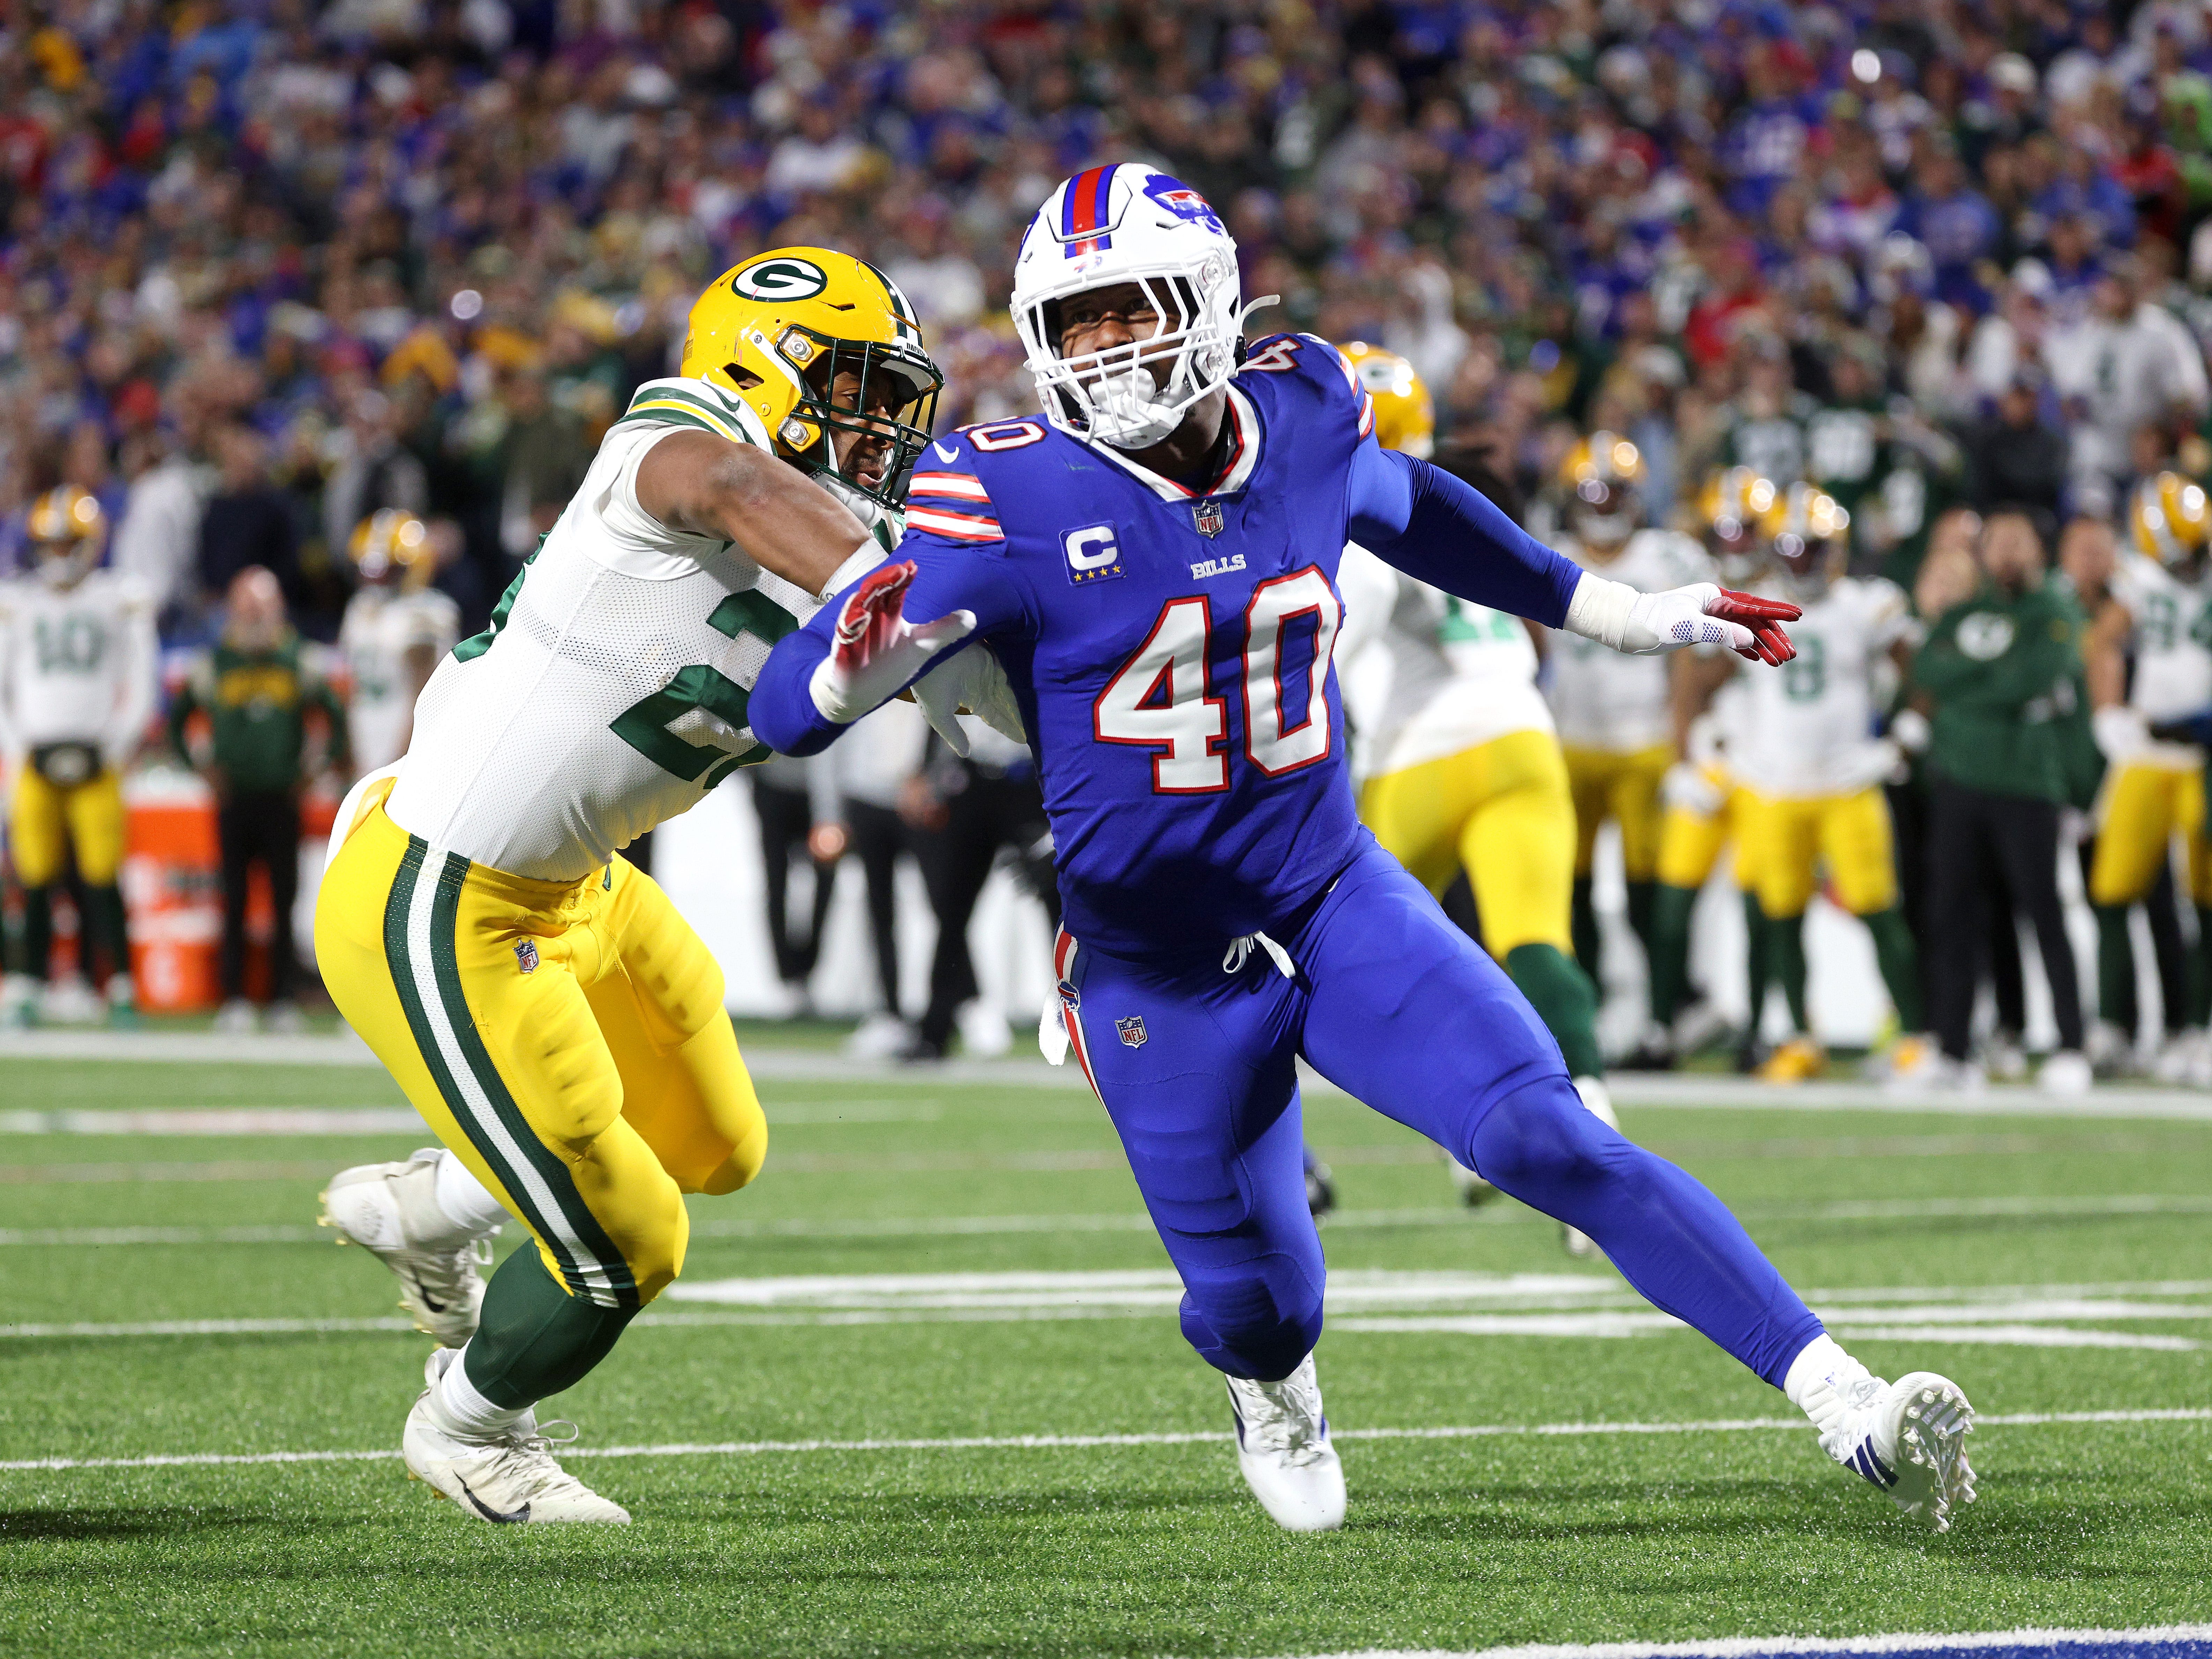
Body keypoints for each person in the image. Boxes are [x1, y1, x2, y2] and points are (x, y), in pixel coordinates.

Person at [750, 167, 1976, 1538]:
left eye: (1128, 309)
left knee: (1545, 1133)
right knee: (1261, 1308)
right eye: (1074, 321)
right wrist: (844, 674)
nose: (1101, 347)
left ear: (1207, 303)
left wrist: (1624, 614)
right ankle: (1272, 1387)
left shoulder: (1304, 406)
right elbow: (787, 709)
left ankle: (1846, 1401)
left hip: (1329, 897)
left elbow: (1413, 504)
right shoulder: (1001, 489)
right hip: (1154, 968)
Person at [307, 248, 989, 1525]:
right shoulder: (682, 443)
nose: (879, 425)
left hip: (582, 887)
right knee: (628, 1245)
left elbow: (976, 701)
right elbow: (729, 484)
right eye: (856, 389)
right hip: (441, 896)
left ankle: (436, 1204)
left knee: (715, 1145)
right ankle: (471, 1430)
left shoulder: (846, 534)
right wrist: (900, 597)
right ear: (766, 370)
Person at [1331, 343, 1608, 1247]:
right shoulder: (1465, 498)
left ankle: (1428, 1136)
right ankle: (1593, 1140)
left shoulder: (1354, 519)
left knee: (1340, 966)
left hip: (1414, 760)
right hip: (1522, 738)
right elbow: (1535, 629)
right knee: (1536, 945)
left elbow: (1320, 657)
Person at [1691, 484, 1932, 1084]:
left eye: (1812, 550)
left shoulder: (1866, 605)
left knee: (1878, 910)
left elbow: (1919, 673)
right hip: (1774, 784)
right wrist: (1714, 734)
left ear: (1836, 550)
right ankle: (1800, 1036)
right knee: (1782, 916)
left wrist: (1900, 739)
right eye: (1790, 550)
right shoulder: (1749, 603)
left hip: (1847, 782)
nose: (1800, 563)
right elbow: (1702, 676)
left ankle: (1915, 1037)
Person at [1910, 510, 2092, 1091]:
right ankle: (1953, 1048)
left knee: (2043, 914)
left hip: (2026, 784)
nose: (2008, 553)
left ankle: (2071, 1045)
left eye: (2019, 542)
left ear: (2037, 550)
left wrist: (1969, 689)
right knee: (1953, 917)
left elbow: (2031, 678)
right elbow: (1927, 670)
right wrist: (1991, 683)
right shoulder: (1963, 612)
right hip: (1958, 785)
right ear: (1982, 553)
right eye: (1998, 543)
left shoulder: (2052, 611)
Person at [1542, 432, 1716, 1003]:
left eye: (1613, 493)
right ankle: (1588, 996)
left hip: (1646, 740)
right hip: (1570, 740)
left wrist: (1684, 742)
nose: (1603, 506)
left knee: (1651, 886)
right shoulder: (1548, 551)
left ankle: (1668, 1001)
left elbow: (1692, 658)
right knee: (1571, 883)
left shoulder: (1666, 557)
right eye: (1592, 494)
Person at [167, 567, 349, 1033]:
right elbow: (177, 720)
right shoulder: (215, 663)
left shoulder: (298, 660)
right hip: (234, 800)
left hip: (282, 799)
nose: (254, 616)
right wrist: (201, 769)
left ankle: (282, 998)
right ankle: (235, 998)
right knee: (234, 900)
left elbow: (336, 720)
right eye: (246, 607)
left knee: (284, 901)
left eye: (261, 607)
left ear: (278, 610)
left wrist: (313, 770)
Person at [0, 488, 157, 1027]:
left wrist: (116, 742)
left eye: (70, 542)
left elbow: (142, 680)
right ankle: (27, 985)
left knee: (103, 875)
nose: (62, 552)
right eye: (54, 542)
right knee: (33, 875)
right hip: (35, 754)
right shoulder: (18, 601)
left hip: (97, 755)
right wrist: (19, 747)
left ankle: (119, 987)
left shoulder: (117, 597)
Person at [1643, 469, 1780, 1073]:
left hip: (1765, 765)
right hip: (1707, 761)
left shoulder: (1785, 587)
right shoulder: (1692, 585)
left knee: (1758, 904)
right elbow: (1681, 680)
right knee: (1672, 901)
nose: (1734, 542)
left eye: (1744, 530)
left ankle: (1758, 1029)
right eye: (1723, 530)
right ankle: (1658, 1029)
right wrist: (1681, 761)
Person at [2081, 476, 2212, 1082]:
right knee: (2112, 888)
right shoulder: (2140, 578)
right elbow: (2102, 642)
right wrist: (2107, 712)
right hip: (2148, 749)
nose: (2187, 564)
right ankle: (2112, 1024)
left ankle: (2200, 1029)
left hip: (2203, 757)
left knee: (2206, 897)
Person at [337, 511, 461, 776]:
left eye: (389, 570)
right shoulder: (360, 608)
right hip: (365, 728)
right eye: (371, 569)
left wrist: (402, 757)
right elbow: (352, 683)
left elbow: (424, 695)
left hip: (403, 734)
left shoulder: (426, 611)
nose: (377, 579)